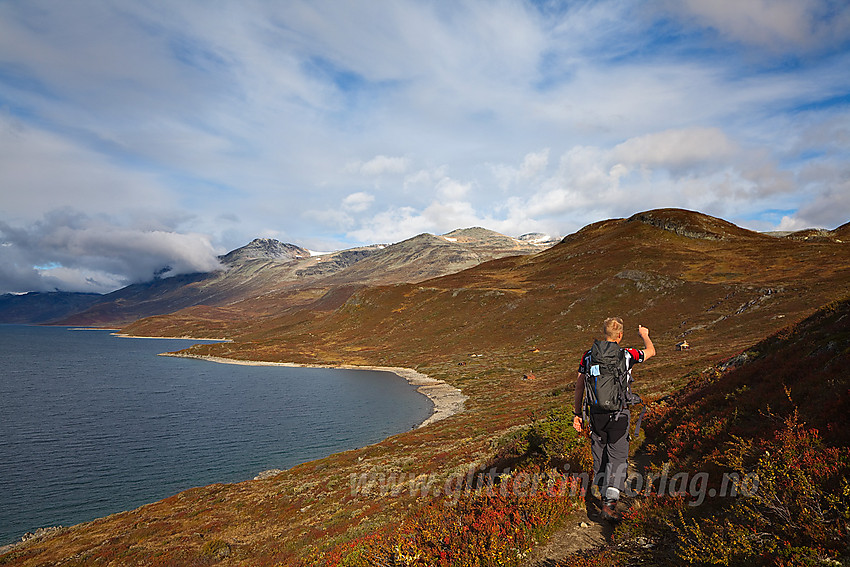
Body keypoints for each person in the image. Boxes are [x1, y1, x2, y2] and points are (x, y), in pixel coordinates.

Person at [572, 317, 655, 521]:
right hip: (619, 414)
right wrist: (645, 336)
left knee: (600, 454)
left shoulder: (589, 355)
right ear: (620, 335)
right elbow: (651, 352)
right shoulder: (627, 354)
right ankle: (609, 506)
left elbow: (579, 385)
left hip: (596, 415)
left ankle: (602, 493)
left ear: (604, 333)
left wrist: (577, 414)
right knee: (617, 457)